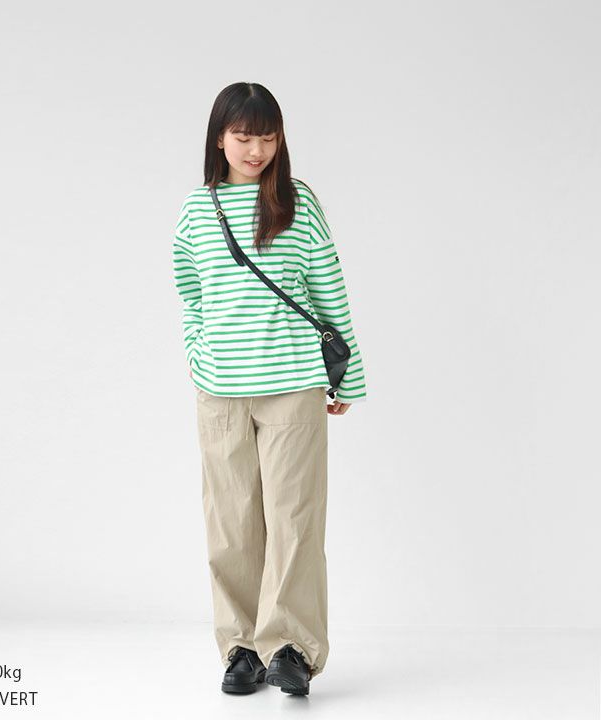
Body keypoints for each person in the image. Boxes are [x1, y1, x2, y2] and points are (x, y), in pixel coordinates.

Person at [172, 82, 367, 696]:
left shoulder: (297, 203)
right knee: (230, 523)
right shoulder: (197, 210)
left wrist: (348, 373)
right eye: (243, 136)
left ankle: (291, 648)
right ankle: (240, 648)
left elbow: (329, 289)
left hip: (293, 385)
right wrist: (199, 354)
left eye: (267, 137)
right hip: (220, 391)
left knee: (294, 519)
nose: (255, 150)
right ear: (219, 139)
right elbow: (191, 295)